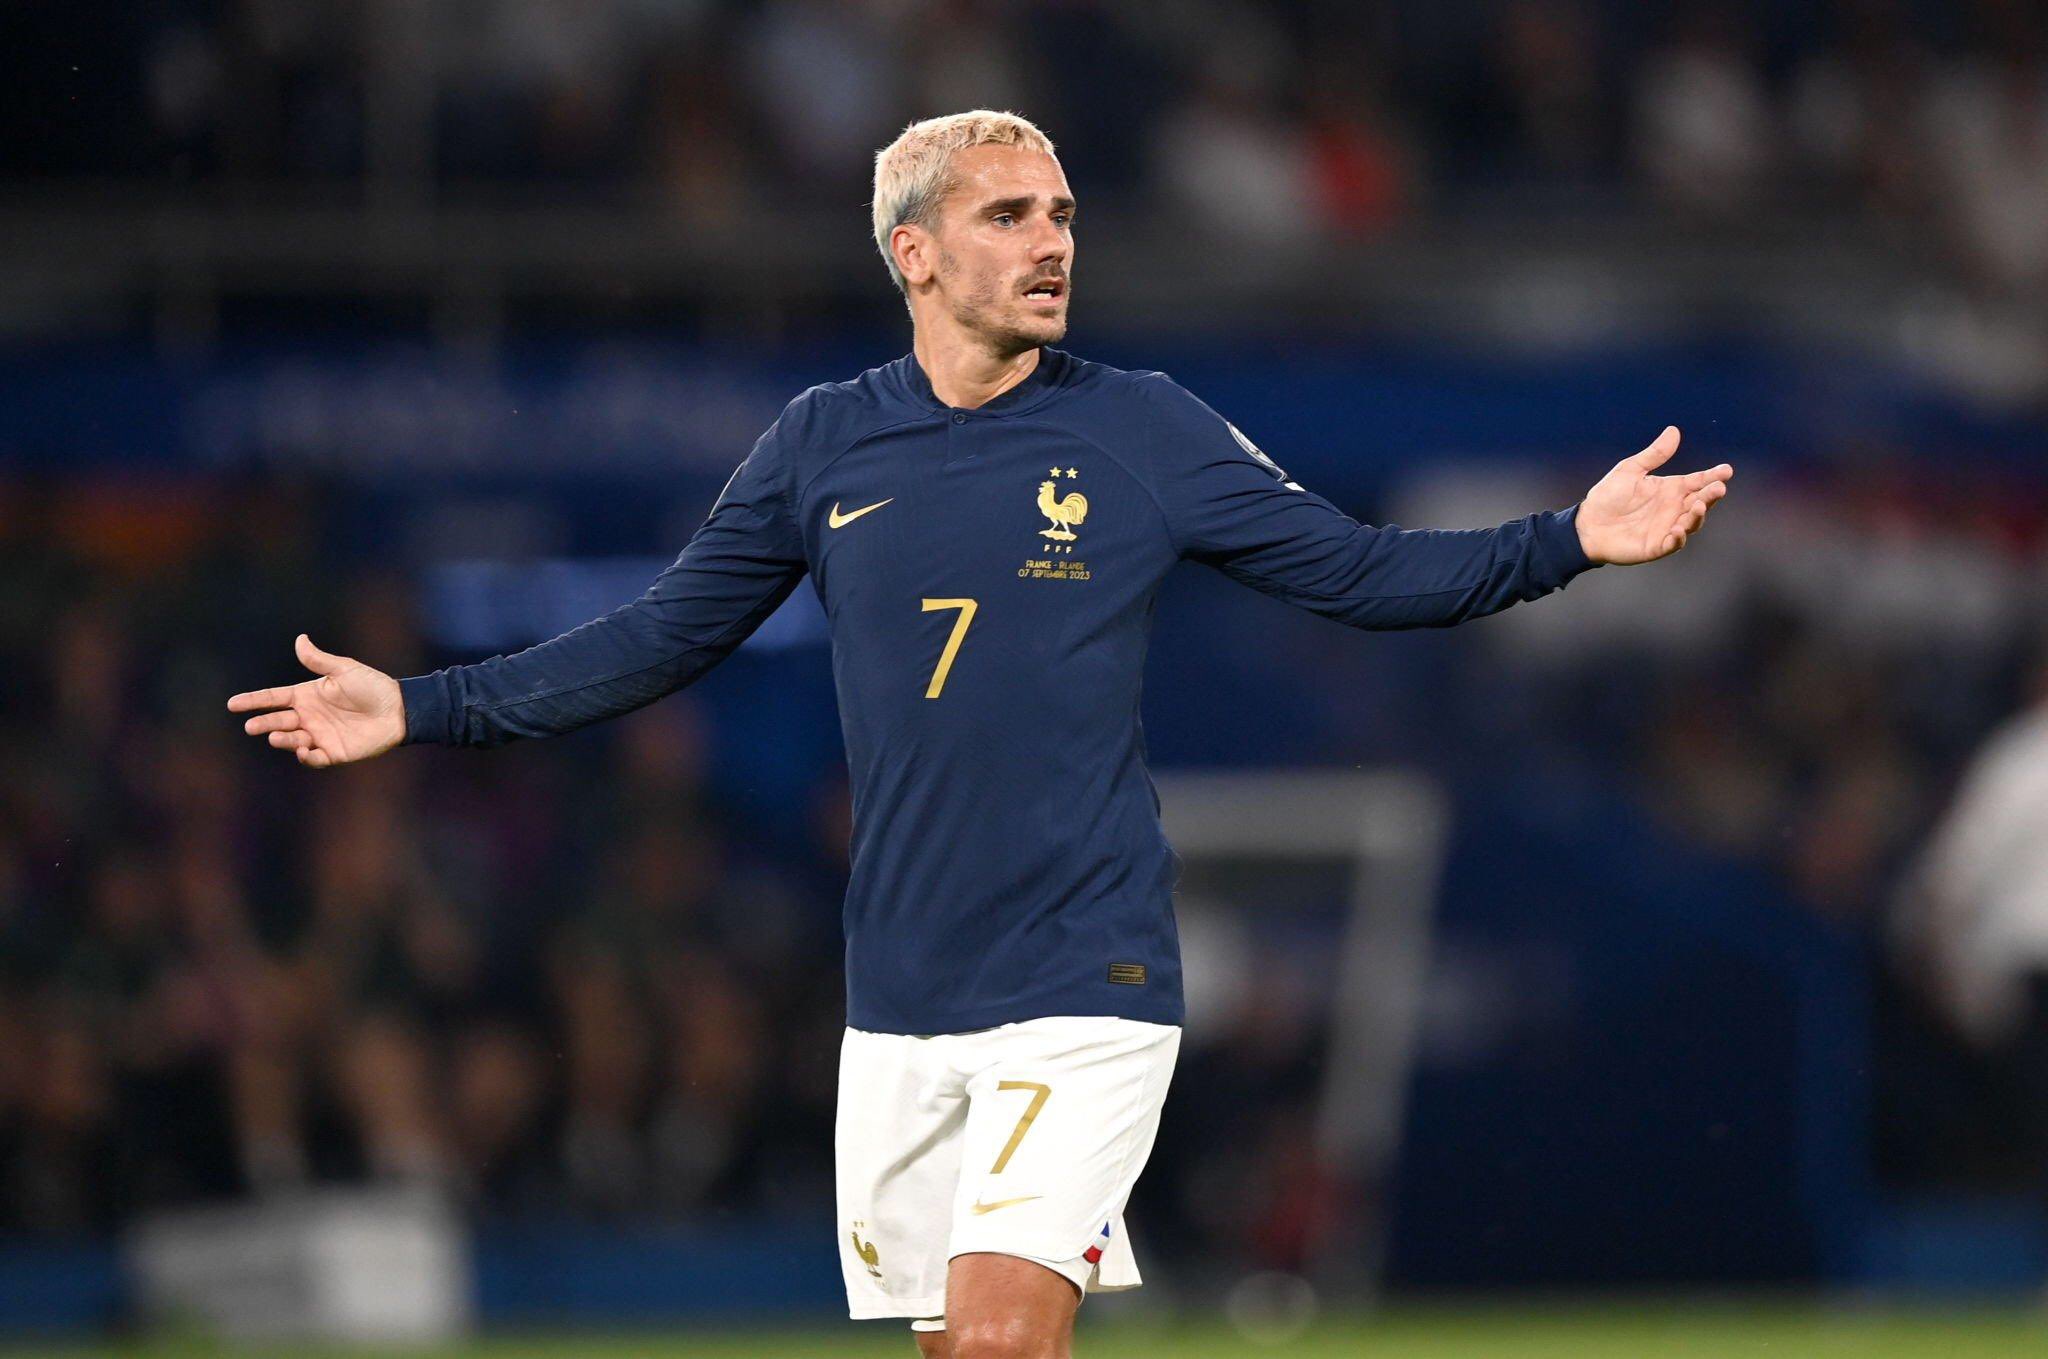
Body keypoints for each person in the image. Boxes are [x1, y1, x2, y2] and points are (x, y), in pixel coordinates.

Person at [228, 110, 1733, 1359]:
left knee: (1005, 1338)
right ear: (916, 252)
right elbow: (661, 636)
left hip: (1086, 968)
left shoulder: (1142, 428)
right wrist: (421, 705)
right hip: (901, 990)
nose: (1052, 241)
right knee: (964, 1349)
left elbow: (1362, 572)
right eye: (1009, 215)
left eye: (1062, 213)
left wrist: (1567, 540)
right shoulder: (822, 443)